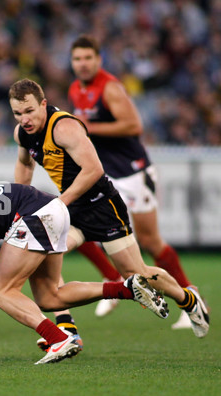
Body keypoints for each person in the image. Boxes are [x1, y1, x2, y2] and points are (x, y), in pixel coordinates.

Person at [8, 78, 209, 340]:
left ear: (43, 104)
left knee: (137, 274)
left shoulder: (64, 127)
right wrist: (18, 206)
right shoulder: (23, 133)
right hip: (71, 211)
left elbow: (94, 170)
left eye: (30, 111)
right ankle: (66, 327)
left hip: (101, 206)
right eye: (18, 113)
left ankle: (188, 299)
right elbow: (25, 165)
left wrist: (60, 203)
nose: (24, 119)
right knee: (39, 253)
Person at [0, 183, 168, 365]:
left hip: (34, 214)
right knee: (50, 298)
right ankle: (127, 288)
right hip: (52, 210)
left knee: (0, 292)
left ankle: (59, 339)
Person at [68, 34, 203, 328]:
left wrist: (90, 127)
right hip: (107, 174)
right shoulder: (76, 89)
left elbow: (133, 125)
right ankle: (112, 278)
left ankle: (190, 295)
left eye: (88, 58)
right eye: (77, 58)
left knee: (150, 241)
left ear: (98, 60)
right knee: (77, 225)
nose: (83, 64)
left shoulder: (110, 87)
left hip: (132, 172)